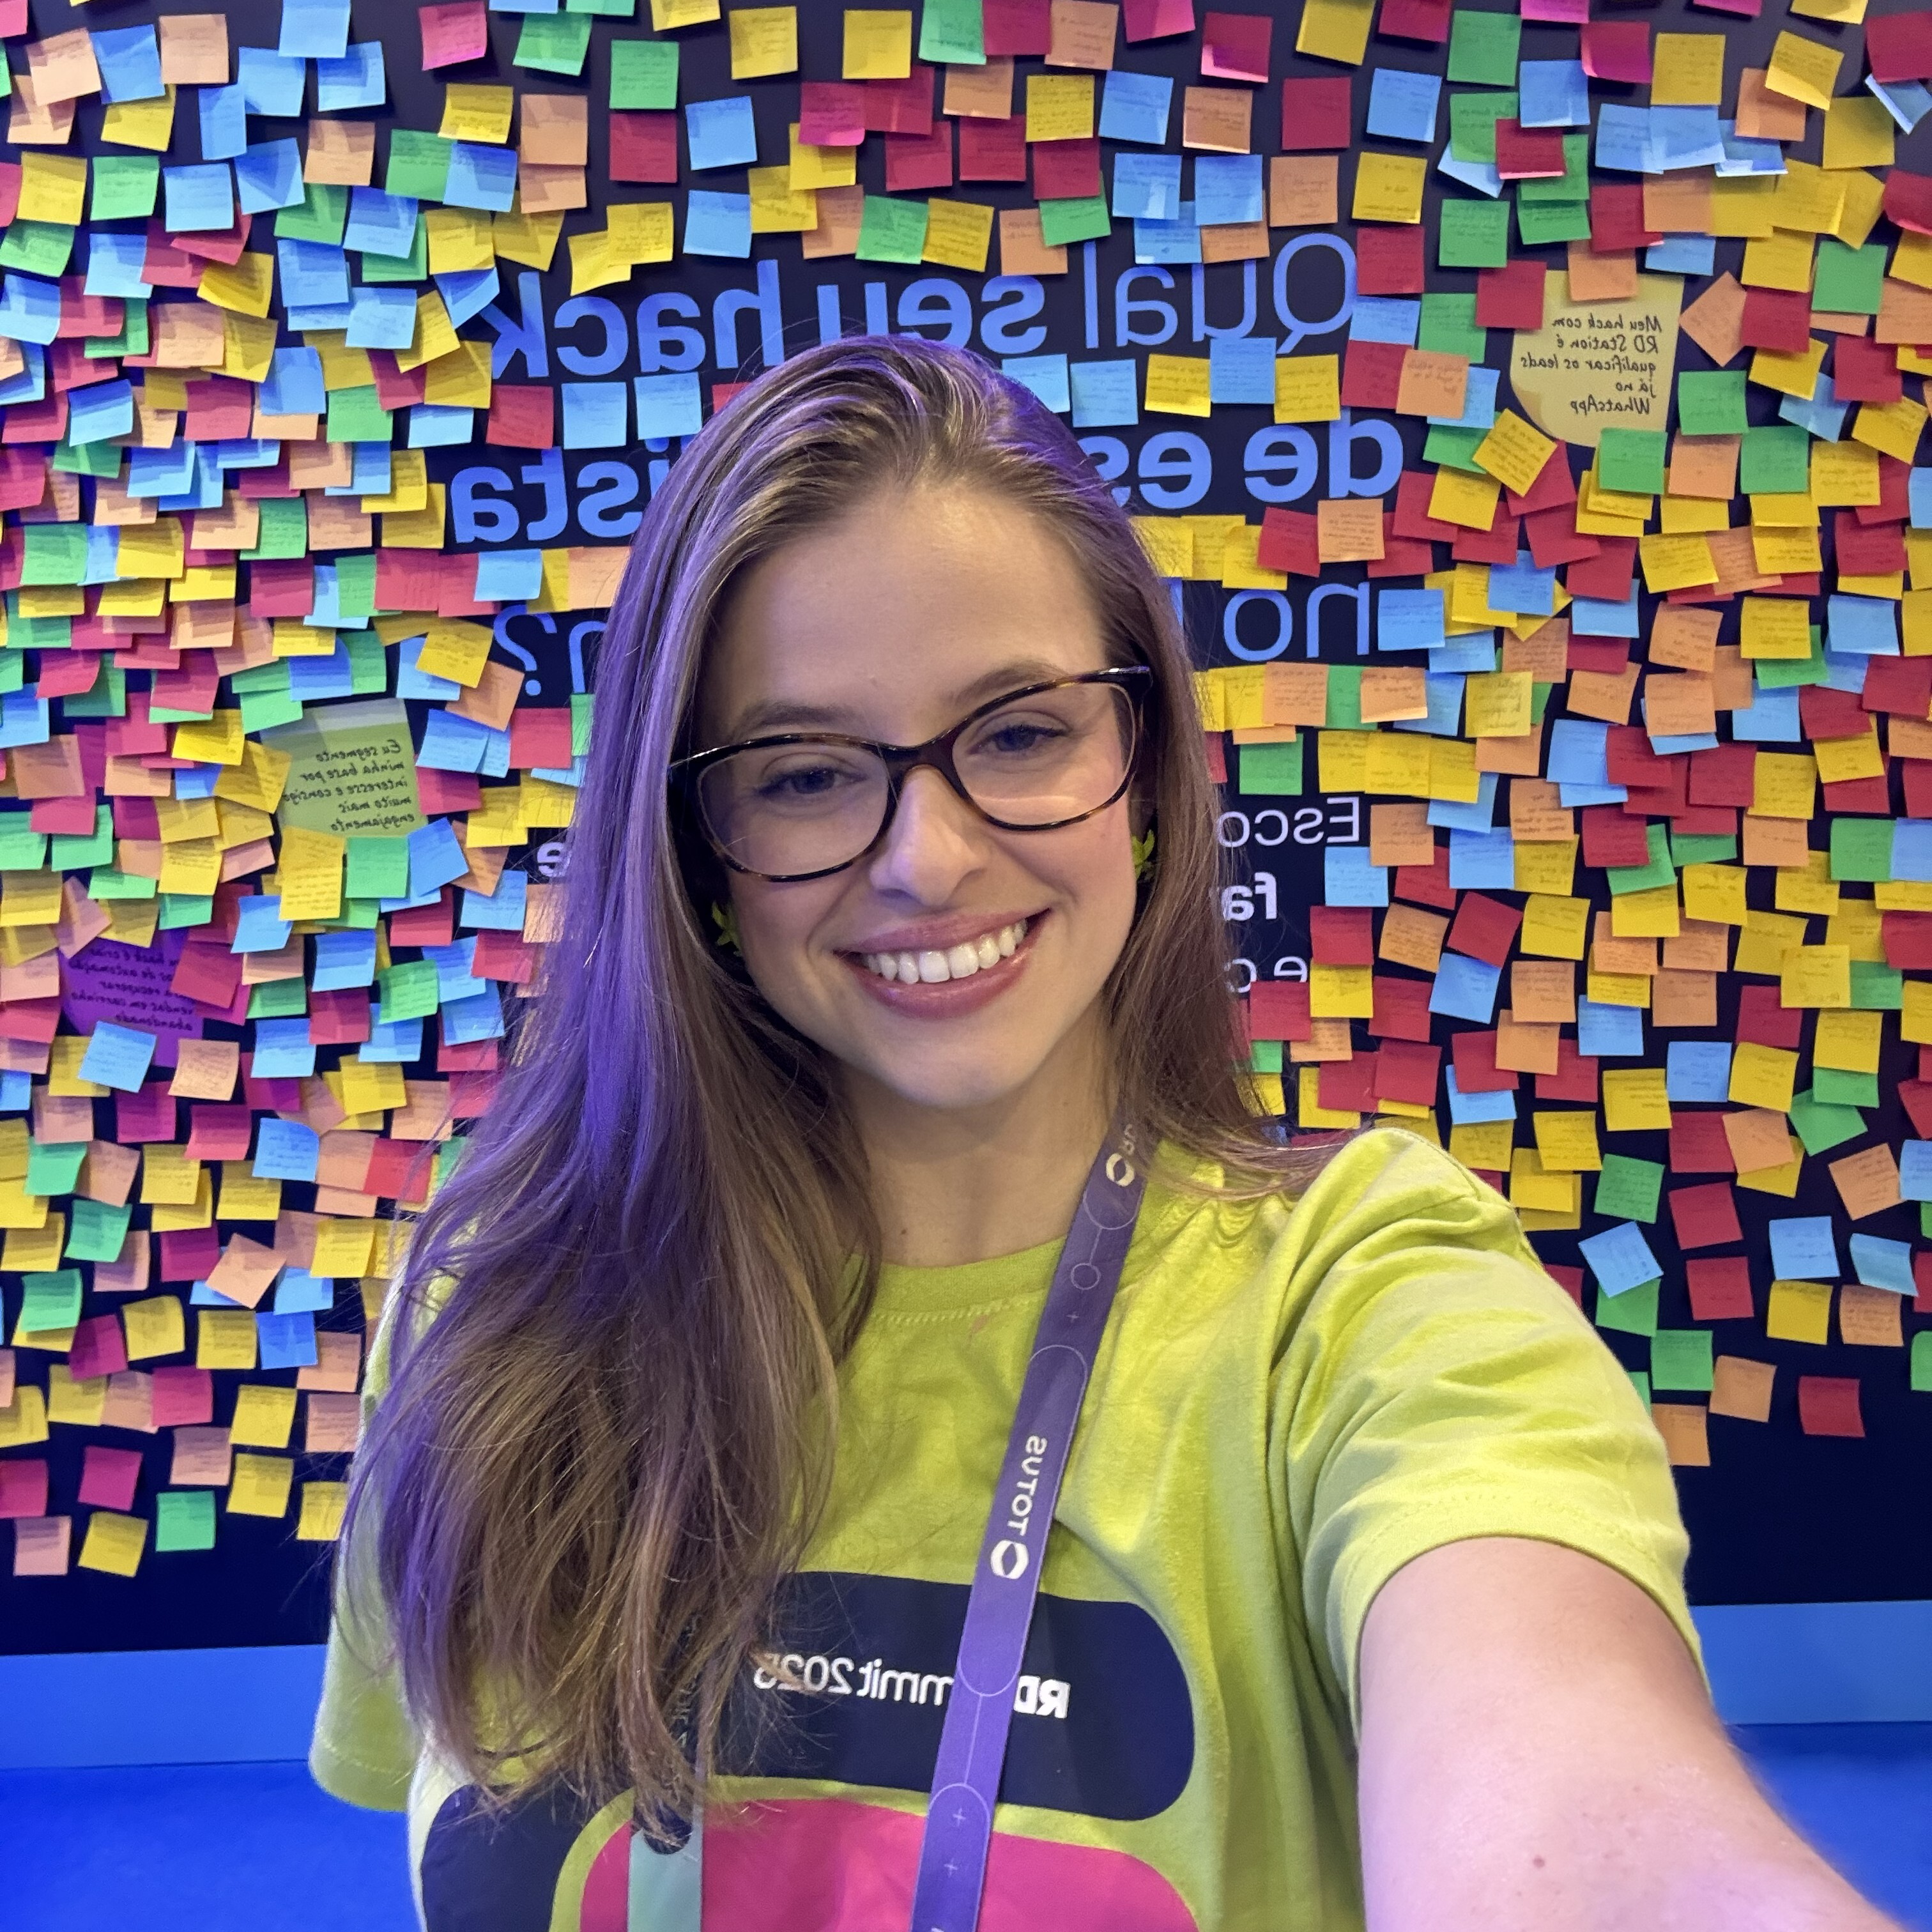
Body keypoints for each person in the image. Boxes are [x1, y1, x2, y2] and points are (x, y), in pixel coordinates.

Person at [310, 337, 1896, 1932]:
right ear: (693, 848)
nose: (927, 861)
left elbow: (1573, 1803)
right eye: (803, 775)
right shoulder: (502, 1309)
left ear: (1142, 769)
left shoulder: (1358, 1309)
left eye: (1018, 735)